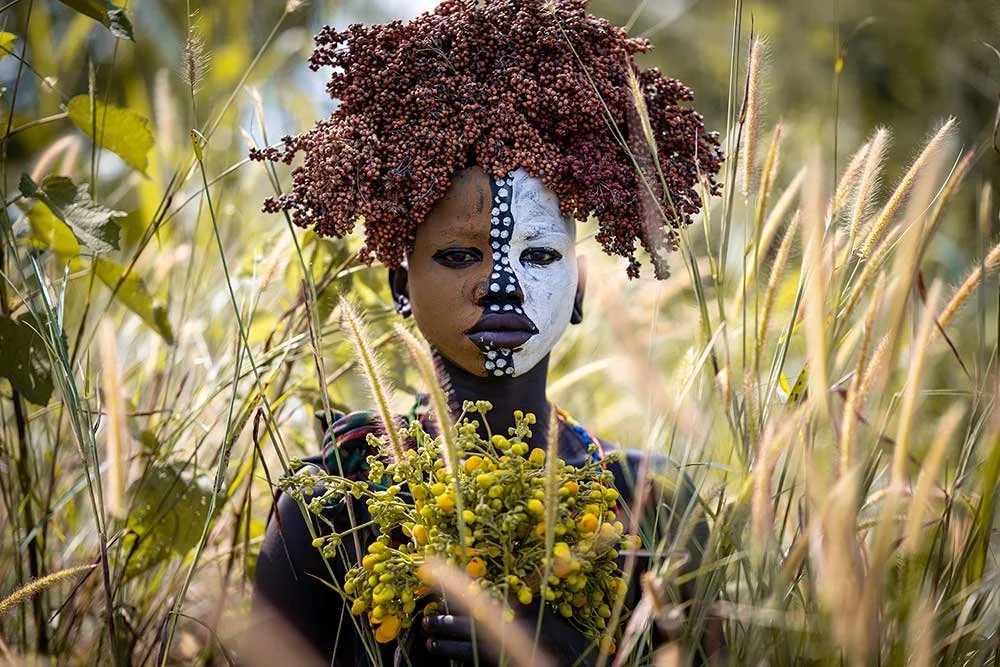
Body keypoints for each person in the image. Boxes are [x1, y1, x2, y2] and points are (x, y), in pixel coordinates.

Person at [248, 1, 723, 665]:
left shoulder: (651, 501)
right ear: (397, 288)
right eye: (457, 255)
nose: (499, 285)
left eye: (537, 256)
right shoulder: (332, 503)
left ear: (580, 289)